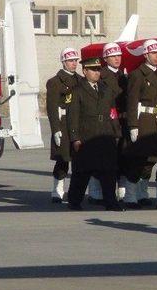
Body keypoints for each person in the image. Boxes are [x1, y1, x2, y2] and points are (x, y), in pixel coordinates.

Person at [124, 39, 157, 209]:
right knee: (140, 160)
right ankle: (131, 195)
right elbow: (131, 102)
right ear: (145, 54)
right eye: (154, 53)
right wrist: (133, 125)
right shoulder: (137, 75)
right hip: (145, 121)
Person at [67, 56, 123, 211]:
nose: (97, 73)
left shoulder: (106, 89)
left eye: (98, 69)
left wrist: (116, 132)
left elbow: (113, 112)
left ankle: (111, 202)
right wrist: (75, 138)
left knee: (109, 171)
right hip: (87, 136)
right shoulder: (77, 91)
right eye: (93, 70)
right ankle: (74, 200)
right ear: (85, 71)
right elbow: (73, 117)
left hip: (105, 134)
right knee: (82, 171)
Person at [86, 42, 129, 204]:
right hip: (107, 121)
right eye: (113, 56)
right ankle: (96, 192)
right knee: (104, 157)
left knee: (123, 156)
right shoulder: (101, 75)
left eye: (119, 55)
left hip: (122, 120)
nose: (117, 59)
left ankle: (121, 191)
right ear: (105, 58)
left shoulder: (123, 75)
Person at [45, 47, 83, 203]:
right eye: (70, 61)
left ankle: (75, 191)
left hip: (78, 123)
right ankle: (57, 189)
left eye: (75, 61)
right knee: (63, 159)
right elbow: (52, 108)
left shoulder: (81, 80)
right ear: (63, 62)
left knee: (79, 159)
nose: (73, 64)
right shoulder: (55, 82)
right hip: (63, 122)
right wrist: (55, 129)